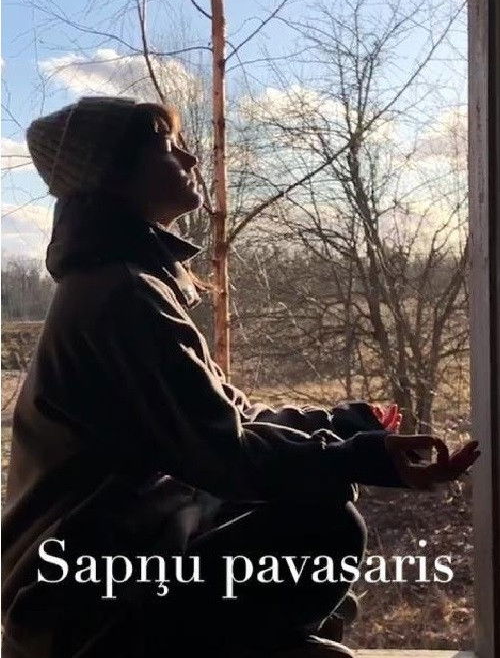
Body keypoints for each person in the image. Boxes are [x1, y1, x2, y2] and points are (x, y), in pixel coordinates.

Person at [1, 97, 480, 658]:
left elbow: (229, 418)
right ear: (115, 174)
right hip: (80, 607)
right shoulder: (122, 297)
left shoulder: (124, 284)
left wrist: (346, 424)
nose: (190, 159)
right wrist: (363, 457)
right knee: (326, 527)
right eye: (167, 146)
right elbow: (223, 452)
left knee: (306, 524)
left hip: (110, 573)